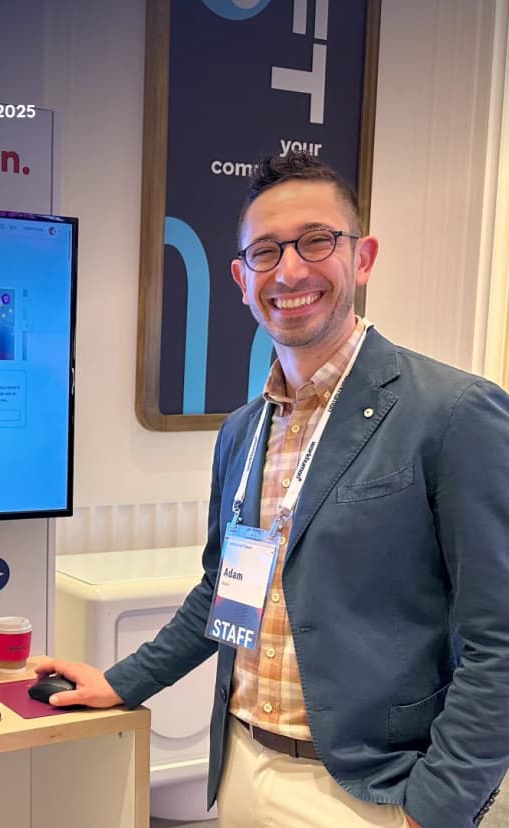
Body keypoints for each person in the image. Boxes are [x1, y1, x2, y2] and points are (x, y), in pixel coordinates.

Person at [38, 152, 509, 828]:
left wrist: (437, 811)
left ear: (363, 256)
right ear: (240, 278)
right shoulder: (243, 431)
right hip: (240, 772)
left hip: (370, 795)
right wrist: (121, 682)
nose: (289, 270)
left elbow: (500, 642)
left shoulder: (453, 413)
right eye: (265, 252)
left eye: (316, 240)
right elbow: (225, 595)